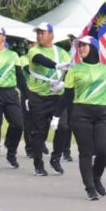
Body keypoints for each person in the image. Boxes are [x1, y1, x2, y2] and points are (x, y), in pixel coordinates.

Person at [53, 36, 106, 200]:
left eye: (85, 45)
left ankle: (96, 176)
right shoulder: (74, 70)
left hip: (102, 113)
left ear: (94, 47)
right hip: (81, 113)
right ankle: (90, 187)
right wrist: (56, 116)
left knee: (104, 151)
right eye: (80, 46)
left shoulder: (105, 69)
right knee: (86, 152)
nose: (81, 48)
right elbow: (67, 95)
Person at [25, 22, 72, 176]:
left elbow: (70, 71)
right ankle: (38, 164)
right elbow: (39, 59)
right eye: (38, 33)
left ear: (51, 35)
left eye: (42, 32)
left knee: (64, 127)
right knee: (40, 132)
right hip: (38, 96)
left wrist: (63, 84)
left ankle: (56, 158)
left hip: (57, 97)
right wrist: (56, 66)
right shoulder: (34, 51)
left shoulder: (62, 52)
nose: (39, 35)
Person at [0, 28, 28, 169]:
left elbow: (20, 77)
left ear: (4, 37)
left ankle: (11, 151)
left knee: (18, 124)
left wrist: (26, 96)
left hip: (10, 92)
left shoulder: (13, 55)